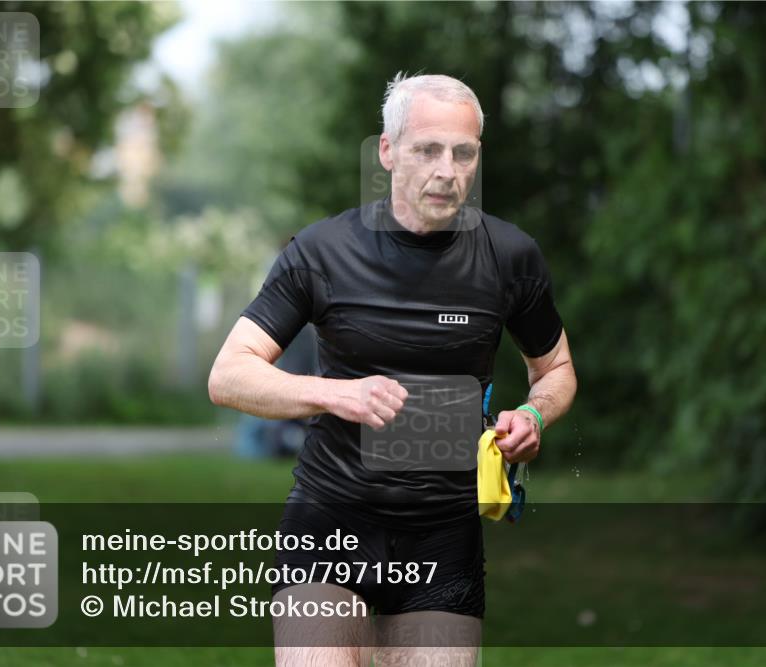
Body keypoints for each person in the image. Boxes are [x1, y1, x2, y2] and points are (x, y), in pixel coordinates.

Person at [208, 72, 577, 667]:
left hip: (443, 533)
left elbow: (556, 368)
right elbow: (228, 374)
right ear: (387, 150)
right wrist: (335, 394)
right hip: (330, 522)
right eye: (427, 149)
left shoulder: (511, 257)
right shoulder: (322, 252)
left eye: (464, 153)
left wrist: (534, 414)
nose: (447, 170)